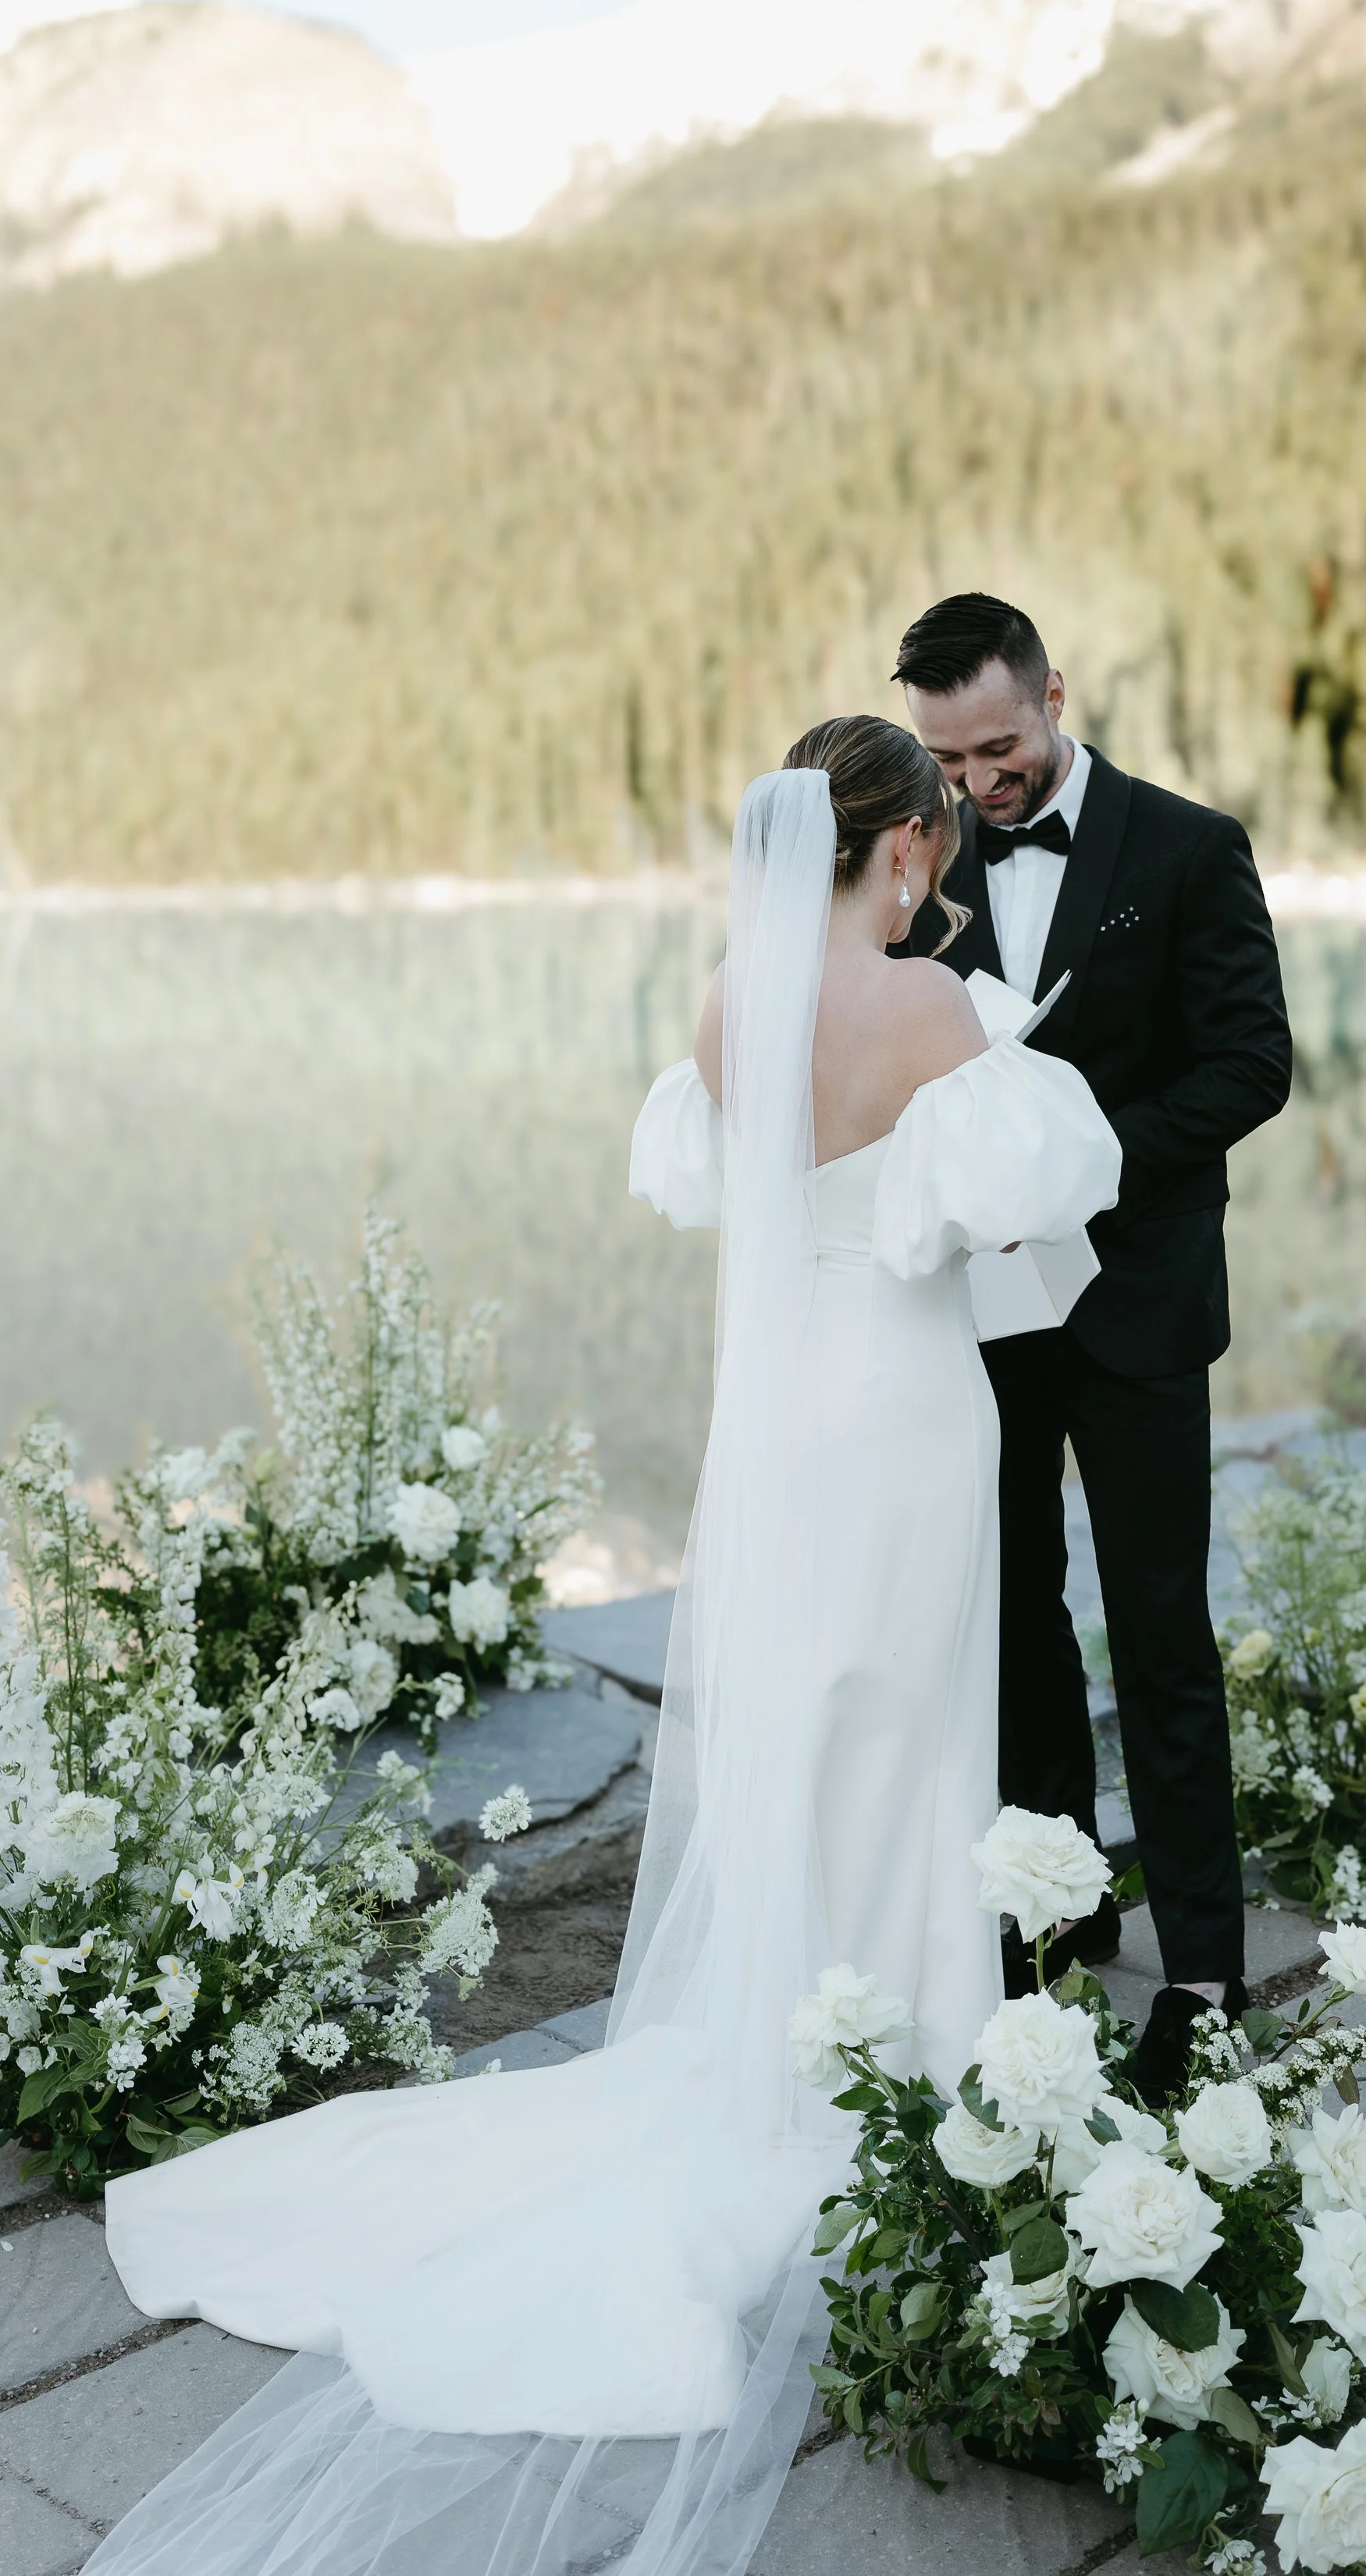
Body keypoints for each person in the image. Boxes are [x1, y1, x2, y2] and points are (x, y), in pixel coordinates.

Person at [85, 717, 1121, 2576]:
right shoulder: (939, 1017)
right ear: (889, 848)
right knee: (904, 1728)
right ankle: (904, 2048)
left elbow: (738, 1206)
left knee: (803, 1732)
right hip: (898, 1422)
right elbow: (1030, 1208)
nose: (941, 878)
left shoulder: (727, 1005)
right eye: (930, 850)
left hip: (775, 1431)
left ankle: (780, 2033)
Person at [891, 592, 1292, 2104]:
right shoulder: (925, 862)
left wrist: (1082, 1160)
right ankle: (1057, 1916)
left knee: (1160, 1637)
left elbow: (1251, 1063)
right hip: (985, 1321)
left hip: (1135, 1310)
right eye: (950, 760)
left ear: (1052, 693)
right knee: (1013, 1632)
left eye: (997, 747)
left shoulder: (1189, 848)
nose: (979, 783)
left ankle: (1202, 1969)